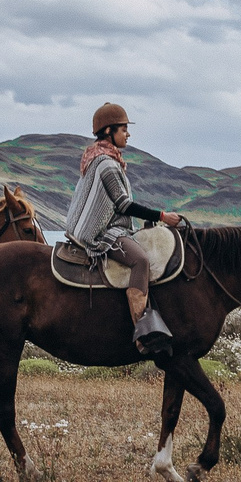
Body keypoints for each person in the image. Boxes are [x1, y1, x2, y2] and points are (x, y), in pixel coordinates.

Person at [64, 101, 186, 358]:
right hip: (99, 233)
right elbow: (123, 204)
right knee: (140, 260)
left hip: (108, 226)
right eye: (123, 128)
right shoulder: (107, 165)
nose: (128, 134)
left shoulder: (101, 159)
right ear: (108, 131)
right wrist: (162, 215)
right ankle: (144, 332)